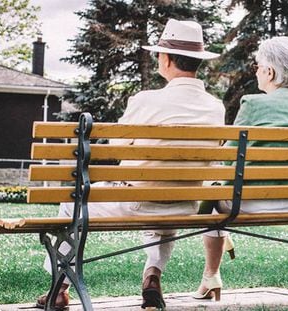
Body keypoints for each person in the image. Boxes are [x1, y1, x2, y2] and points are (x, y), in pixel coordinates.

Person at [36, 19, 225, 310]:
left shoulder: (146, 100)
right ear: (198, 62)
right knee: (167, 197)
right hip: (185, 204)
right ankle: (152, 274)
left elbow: (118, 147)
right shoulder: (215, 107)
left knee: (70, 205)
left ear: (166, 58)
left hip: (138, 201)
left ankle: (59, 287)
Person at [193, 36, 288, 301]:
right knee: (218, 195)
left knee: (213, 197)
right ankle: (217, 253)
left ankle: (211, 274)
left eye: (259, 65)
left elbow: (228, 161)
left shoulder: (252, 104)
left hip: (245, 204)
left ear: (270, 72)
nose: (256, 70)